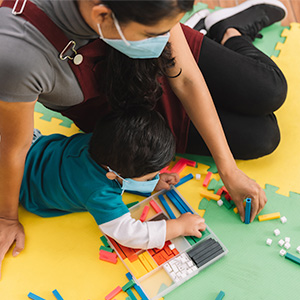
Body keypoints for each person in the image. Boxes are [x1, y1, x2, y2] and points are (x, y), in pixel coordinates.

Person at [0, 0, 287, 277]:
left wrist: (229, 170)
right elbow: (15, 147)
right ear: (103, 16)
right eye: (155, 33)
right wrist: (6, 218)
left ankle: (225, 29)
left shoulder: (149, 16)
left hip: (146, 72)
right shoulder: (18, 55)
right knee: (264, 137)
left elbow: (185, 78)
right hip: (124, 112)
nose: (165, 38)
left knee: (271, 90)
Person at [19, 108, 206, 250]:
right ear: (112, 175)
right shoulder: (100, 192)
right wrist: (179, 226)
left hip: (32, 145)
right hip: (21, 185)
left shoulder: (106, 141)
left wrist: (152, 181)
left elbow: (126, 172)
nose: (154, 176)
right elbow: (130, 235)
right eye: (149, 175)